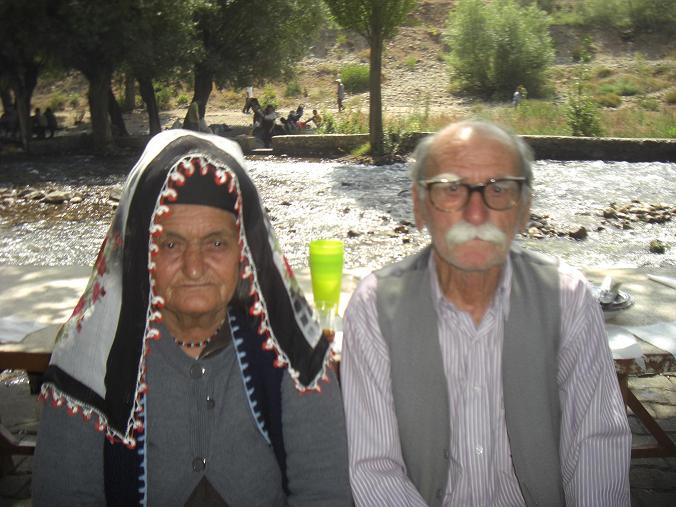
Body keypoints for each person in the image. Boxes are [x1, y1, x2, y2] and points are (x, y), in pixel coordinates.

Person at [32, 130, 352, 506]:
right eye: (171, 243)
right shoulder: (90, 361)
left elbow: (323, 492)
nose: (194, 267)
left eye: (216, 242)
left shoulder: (291, 354)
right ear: (142, 254)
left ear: (243, 253)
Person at [341, 120, 631, 507]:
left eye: (498, 189)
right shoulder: (374, 307)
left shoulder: (568, 298)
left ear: (524, 208)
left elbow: (595, 443)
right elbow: (374, 468)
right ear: (420, 206)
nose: (475, 214)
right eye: (451, 189)